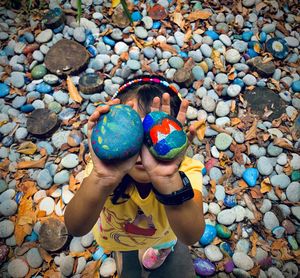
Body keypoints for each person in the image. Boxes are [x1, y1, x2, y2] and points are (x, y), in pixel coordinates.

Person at [64, 75, 205, 275]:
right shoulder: (105, 172)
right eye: (131, 133)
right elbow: (75, 227)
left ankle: (159, 249)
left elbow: (191, 236)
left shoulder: (184, 174)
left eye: (153, 136)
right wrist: (102, 179)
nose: (143, 150)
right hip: (115, 233)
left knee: (161, 242)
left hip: (162, 235)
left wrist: (167, 180)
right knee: (123, 243)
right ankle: (126, 249)